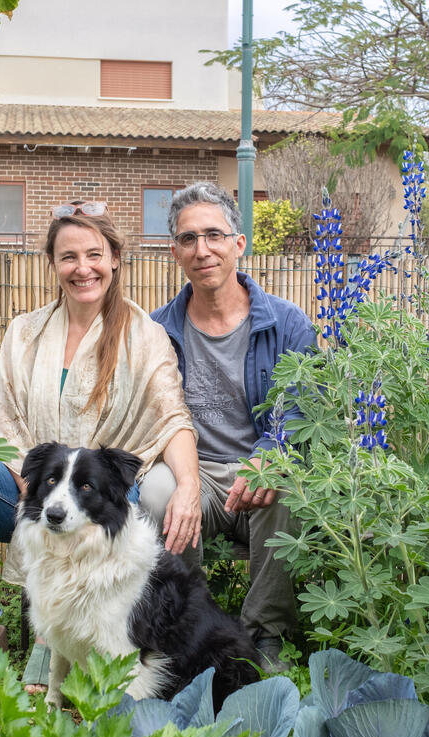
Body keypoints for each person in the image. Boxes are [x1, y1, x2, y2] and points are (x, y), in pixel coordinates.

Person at [0, 201, 201, 691]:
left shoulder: (146, 336)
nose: (82, 268)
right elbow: (1, 424)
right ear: (53, 263)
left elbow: (172, 417)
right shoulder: (25, 332)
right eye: (68, 256)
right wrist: (38, 488)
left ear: (115, 258)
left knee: (110, 516)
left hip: (100, 498)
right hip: (31, 486)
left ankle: (59, 634)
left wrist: (189, 484)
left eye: (94, 254)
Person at [151, 182, 317, 672]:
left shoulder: (286, 323)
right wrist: (183, 479)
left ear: (239, 244)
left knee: (287, 486)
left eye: (214, 235)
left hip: (257, 469)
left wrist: (268, 456)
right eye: (188, 239)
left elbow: (301, 410)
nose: (202, 250)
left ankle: (265, 636)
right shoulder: (157, 330)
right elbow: (151, 416)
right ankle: (188, 630)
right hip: (193, 473)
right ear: (175, 252)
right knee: (156, 492)